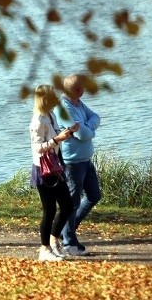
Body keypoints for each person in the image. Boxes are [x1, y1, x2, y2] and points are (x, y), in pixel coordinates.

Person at [28, 84, 79, 262]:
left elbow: (55, 136)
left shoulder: (50, 115)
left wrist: (68, 133)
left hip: (55, 164)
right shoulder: (38, 121)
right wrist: (57, 139)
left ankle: (54, 241)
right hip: (43, 168)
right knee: (49, 210)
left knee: (67, 205)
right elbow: (38, 148)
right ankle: (44, 249)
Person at [56, 73, 102, 257]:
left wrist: (87, 126)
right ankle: (70, 244)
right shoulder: (63, 108)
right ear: (76, 89)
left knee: (94, 196)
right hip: (73, 162)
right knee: (72, 204)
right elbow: (82, 135)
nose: (86, 89)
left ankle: (65, 230)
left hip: (86, 160)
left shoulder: (78, 103)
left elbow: (96, 117)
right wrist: (88, 129)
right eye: (83, 87)